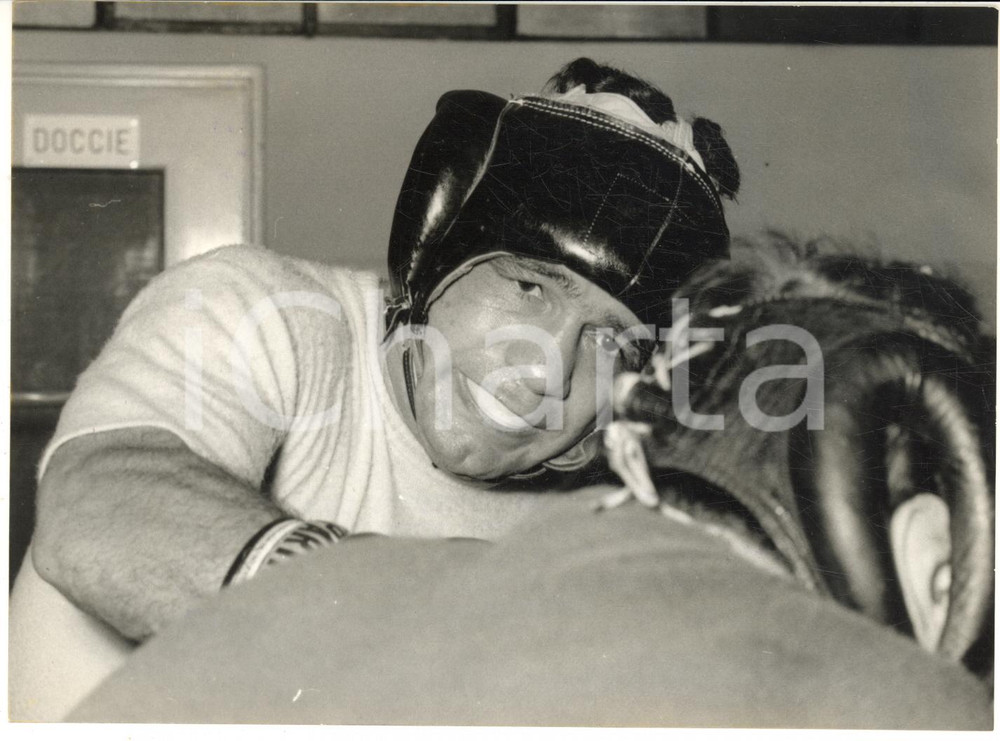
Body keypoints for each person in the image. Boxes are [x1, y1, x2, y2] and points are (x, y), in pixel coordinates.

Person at [10, 57, 741, 720]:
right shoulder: (267, 313)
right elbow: (97, 509)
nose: (549, 369)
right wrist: (441, 609)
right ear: (430, 252)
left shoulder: (623, 494)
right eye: (527, 286)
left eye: (612, 338)